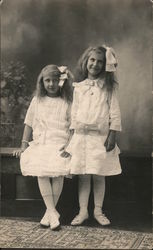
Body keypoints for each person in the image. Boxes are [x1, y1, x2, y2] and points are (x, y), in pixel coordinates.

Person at [67, 45, 122, 226]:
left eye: (100, 62)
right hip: (82, 138)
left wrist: (112, 135)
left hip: (100, 138)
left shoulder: (108, 88)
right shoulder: (79, 87)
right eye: (92, 60)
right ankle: (83, 211)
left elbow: (114, 112)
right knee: (83, 175)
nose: (95, 64)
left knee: (99, 174)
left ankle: (98, 210)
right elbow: (74, 113)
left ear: (105, 65)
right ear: (86, 62)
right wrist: (72, 137)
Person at [13, 64, 73, 230]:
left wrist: (69, 146)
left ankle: (49, 212)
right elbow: (29, 124)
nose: (51, 84)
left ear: (61, 82)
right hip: (41, 143)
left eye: (55, 80)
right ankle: (53, 211)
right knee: (42, 171)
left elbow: (73, 127)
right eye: (47, 80)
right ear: (42, 82)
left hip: (60, 143)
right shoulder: (37, 100)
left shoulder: (66, 102)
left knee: (58, 171)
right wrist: (23, 145)